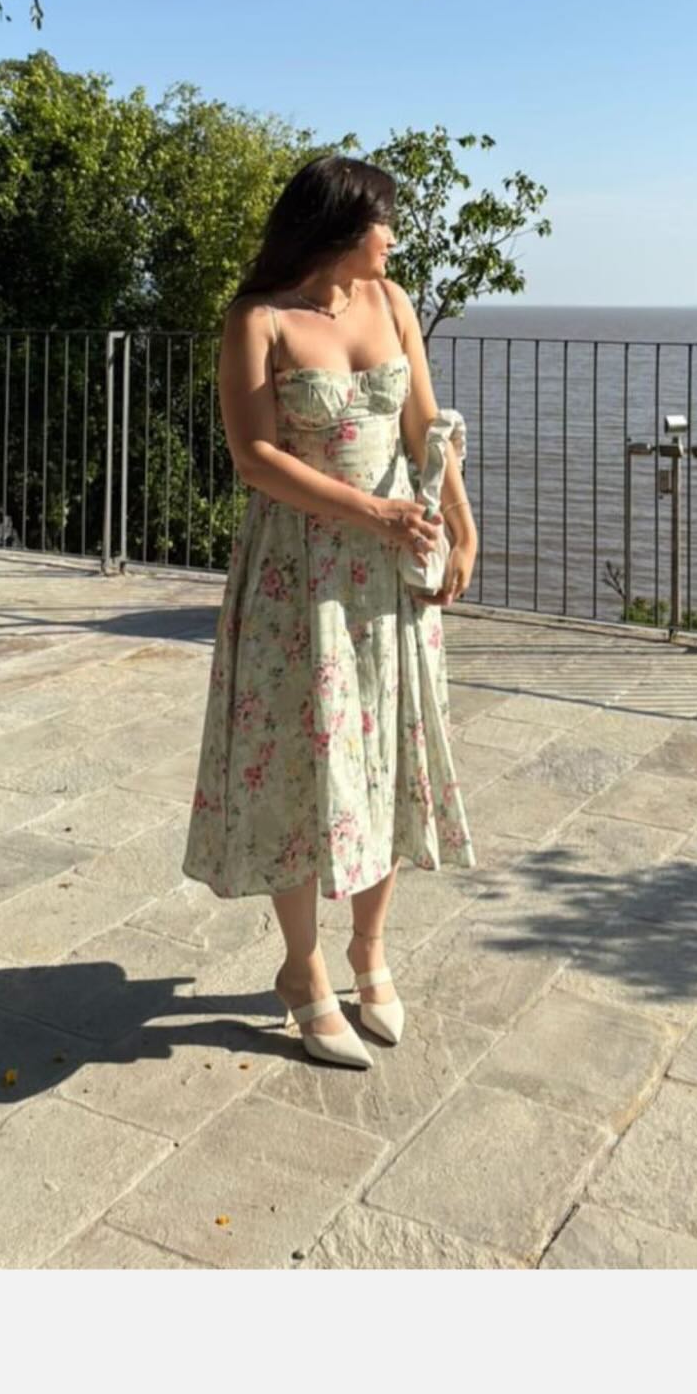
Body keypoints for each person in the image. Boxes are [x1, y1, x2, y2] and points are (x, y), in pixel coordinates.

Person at [182, 155, 478, 1069]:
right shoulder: (259, 320)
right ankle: (302, 969)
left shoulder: (391, 303)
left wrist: (462, 526)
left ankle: (370, 953)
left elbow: (424, 429)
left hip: (389, 581)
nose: (392, 237)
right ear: (338, 228)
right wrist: (373, 512)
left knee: (386, 757)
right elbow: (255, 458)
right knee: (301, 769)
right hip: (297, 578)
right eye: (382, 221)